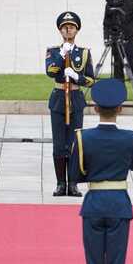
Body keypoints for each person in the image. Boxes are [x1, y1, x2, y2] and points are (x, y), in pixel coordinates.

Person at [68, 79, 133, 264]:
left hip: (95, 203)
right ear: (120, 109)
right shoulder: (131, 138)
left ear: (95, 108)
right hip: (119, 204)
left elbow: (75, 174)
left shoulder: (83, 138)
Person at [46, 11, 96, 197]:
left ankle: (73, 183)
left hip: (75, 98)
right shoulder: (53, 51)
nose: (69, 29)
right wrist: (62, 55)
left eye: (72, 27)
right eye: (65, 27)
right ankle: (61, 184)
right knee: (59, 144)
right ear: (60, 31)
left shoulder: (84, 53)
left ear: (77, 30)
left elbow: (91, 80)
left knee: (75, 143)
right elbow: (50, 72)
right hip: (59, 98)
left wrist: (77, 77)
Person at [104, 0, 133, 114]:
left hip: (129, 42)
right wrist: (106, 38)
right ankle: (118, 97)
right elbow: (106, 22)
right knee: (117, 70)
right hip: (115, 42)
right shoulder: (110, 3)